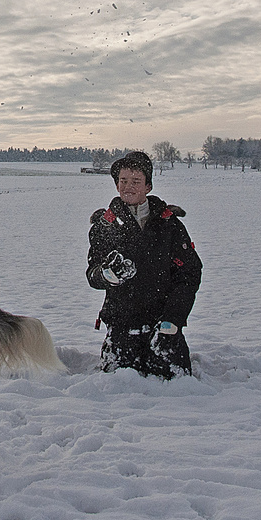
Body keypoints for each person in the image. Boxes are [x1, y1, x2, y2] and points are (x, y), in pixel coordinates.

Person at [86, 151, 202, 379]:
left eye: (135, 181)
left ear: (148, 186)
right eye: (123, 181)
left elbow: (189, 274)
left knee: (176, 384)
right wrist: (107, 274)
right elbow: (92, 274)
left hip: (163, 324)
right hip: (122, 324)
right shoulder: (103, 226)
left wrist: (173, 320)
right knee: (117, 386)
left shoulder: (170, 225)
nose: (128, 187)